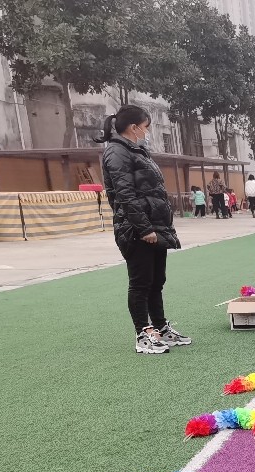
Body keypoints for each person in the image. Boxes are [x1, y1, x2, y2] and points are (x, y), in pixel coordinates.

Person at [97, 104, 189, 355]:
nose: (147, 132)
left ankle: (160, 327)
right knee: (141, 283)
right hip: (136, 229)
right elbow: (125, 195)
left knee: (156, 281)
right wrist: (144, 228)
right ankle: (143, 333)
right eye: (145, 127)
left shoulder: (136, 150)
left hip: (155, 225)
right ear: (133, 127)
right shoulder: (116, 152)